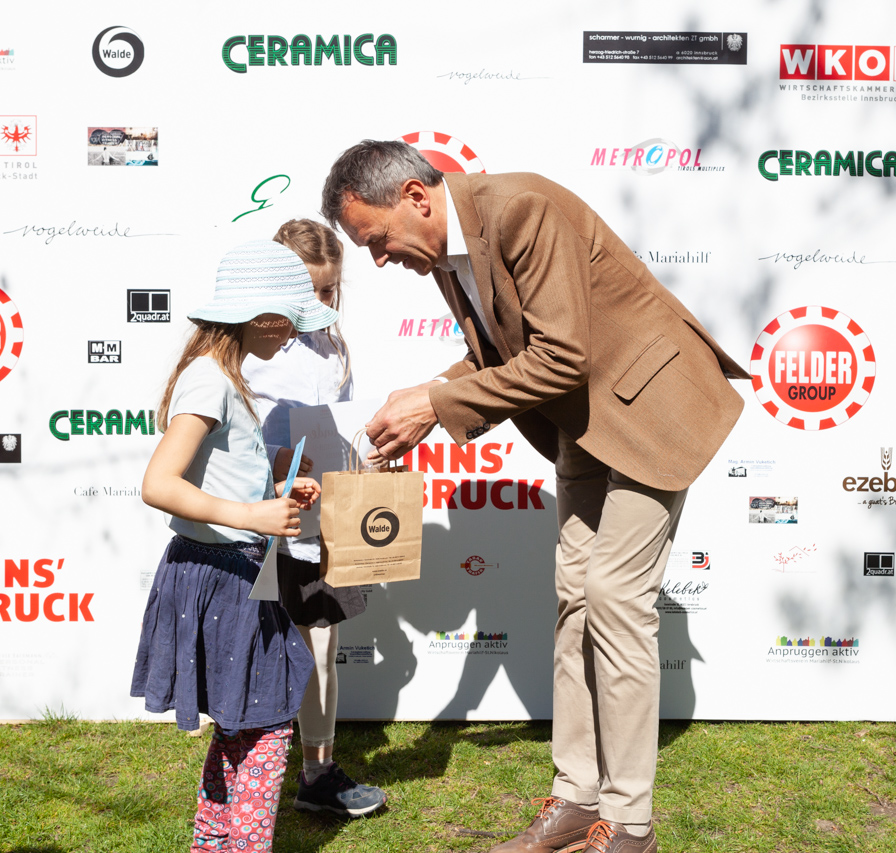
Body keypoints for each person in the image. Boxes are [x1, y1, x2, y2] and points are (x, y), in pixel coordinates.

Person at [321, 140, 751, 853]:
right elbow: (497, 354)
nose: (379, 258)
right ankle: (577, 799)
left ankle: (631, 824)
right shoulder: (445, 249)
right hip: (582, 423)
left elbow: (562, 355)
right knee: (575, 594)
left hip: (651, 407)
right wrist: (428, 397)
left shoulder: (519, 210)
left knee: (614, 594)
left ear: (416, 198)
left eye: (378, 240)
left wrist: (435, 402)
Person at [132, 239, 335, 852]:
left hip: (227, 571)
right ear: (266, 319)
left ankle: (214, 843)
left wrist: (275, 482)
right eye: (294, 322)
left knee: (243, 718)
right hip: (224, 575)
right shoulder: (209, 381)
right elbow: (158, 484)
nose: (294, 336)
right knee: (270, 721)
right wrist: (253, 513)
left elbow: (212, 476)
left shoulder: (223, 377)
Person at [241, 218, 388, 817]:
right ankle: (252, 771)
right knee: (253, 649)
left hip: (322, 519)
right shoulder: (241, 344)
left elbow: (341, 421)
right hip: (253, 520)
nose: (320, 304)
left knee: (322, 645)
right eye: (308, 292)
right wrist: (274, 463)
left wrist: (365, 457)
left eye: (328, 292)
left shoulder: (333, 344)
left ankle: (316, 774)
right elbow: (222, 437)